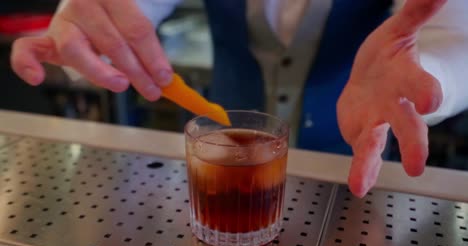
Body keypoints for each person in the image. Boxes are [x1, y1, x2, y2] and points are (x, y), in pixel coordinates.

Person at [9, 0, 468, 197]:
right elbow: (130, 8)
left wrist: (430, 75)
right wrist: (96, 25)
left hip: (348, 153)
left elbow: (454, 31)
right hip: (223, 156)